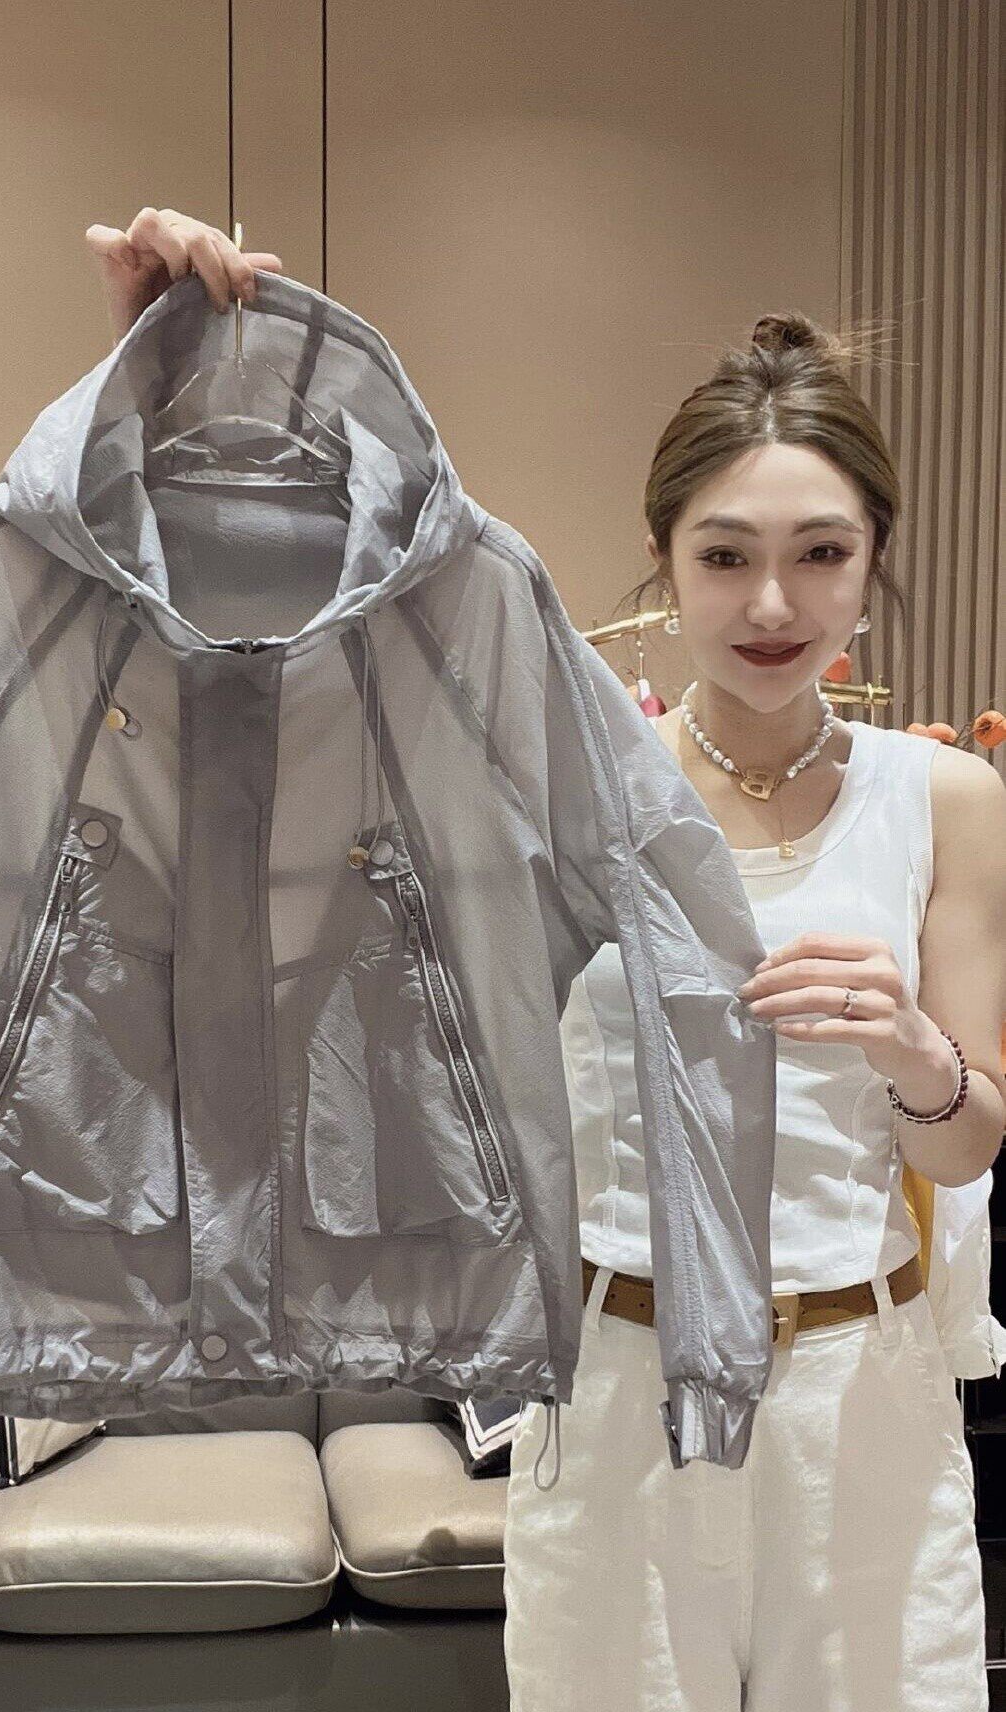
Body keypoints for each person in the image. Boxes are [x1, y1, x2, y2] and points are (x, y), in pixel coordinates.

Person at [85, 210, 1006, 1709]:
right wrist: (164, 369)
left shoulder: (945, 799)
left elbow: (966, 1145)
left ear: (872, 563)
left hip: (866, 1401)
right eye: (727, 556)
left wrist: (913, 1051)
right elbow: (278, 669)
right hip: (619, 1387)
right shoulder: (557, 787)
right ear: (665, 561)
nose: (774, 604)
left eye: (821, 555)